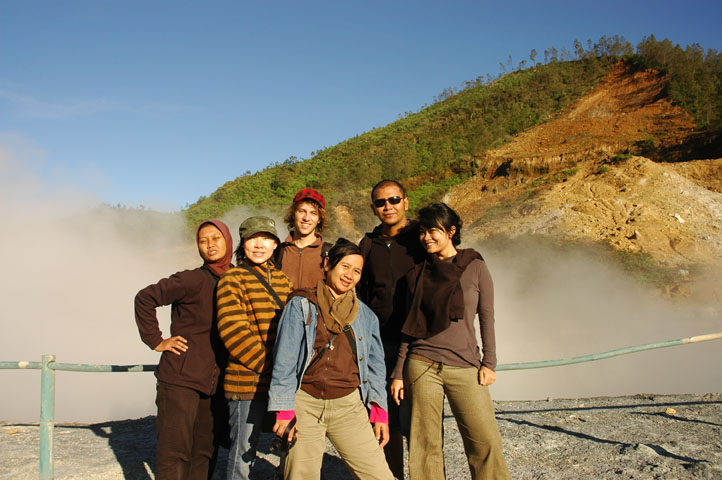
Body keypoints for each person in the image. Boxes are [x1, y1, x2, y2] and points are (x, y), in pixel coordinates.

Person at [390, 203, 510, 480]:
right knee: (424, 444)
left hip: (464, 365)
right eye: (422, 232)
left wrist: (489, 362)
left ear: (451, 231)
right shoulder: (418, 273)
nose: (426, 237)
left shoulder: (475, 266)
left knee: (484, 441)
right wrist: (398, 373)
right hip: (421, 364)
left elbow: (487, 317)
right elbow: (410, 326)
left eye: (433, 231)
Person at [268, 239, 394, 480]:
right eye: (345, 266)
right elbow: (285, 359)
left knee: (379, 475)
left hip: (349, 406)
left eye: (356, 271)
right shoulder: (300, 305)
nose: (349, 275)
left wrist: (380, 411)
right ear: (328, 264)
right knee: (300, 476)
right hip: (306, 404)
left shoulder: (366, 316)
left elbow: (375, 367)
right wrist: (284, 408)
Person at [135, 219, 233, 480]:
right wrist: (156, 341)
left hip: (215, 384)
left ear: (228, 240)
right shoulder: (191, 279)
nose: (210, 245)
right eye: (203, 240)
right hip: (180, 379)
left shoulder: (237, 279)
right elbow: (145, 298)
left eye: (216, 238)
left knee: (205, 451)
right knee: (175, 453)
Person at [216, 216, 293, 480]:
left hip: (280, 384)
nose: (260, 245)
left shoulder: (283, 281)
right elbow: (234, 332)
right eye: (253, 238)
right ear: (243, 243)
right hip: (246, 382)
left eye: (266, 239)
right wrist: (275, 369)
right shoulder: (232, 279)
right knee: (243, 452)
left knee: (288, 447)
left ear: (275, 245)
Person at [357, 179, 425, 478]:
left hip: (421, 341)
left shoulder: (421, 237)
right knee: (386, 418)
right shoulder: (368, 244)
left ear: (406, 202)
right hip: (382, 342)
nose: (388, 206)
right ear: (373, 208)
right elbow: (360, 291)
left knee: (423, 419)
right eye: (381, 202)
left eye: (394, 200)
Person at [275, 188, 331, 290]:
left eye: (313, 213)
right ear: (293, 214)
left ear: (319, 219)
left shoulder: (329, 253)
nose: (306, 218)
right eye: (302, 211)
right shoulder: (277, 252)